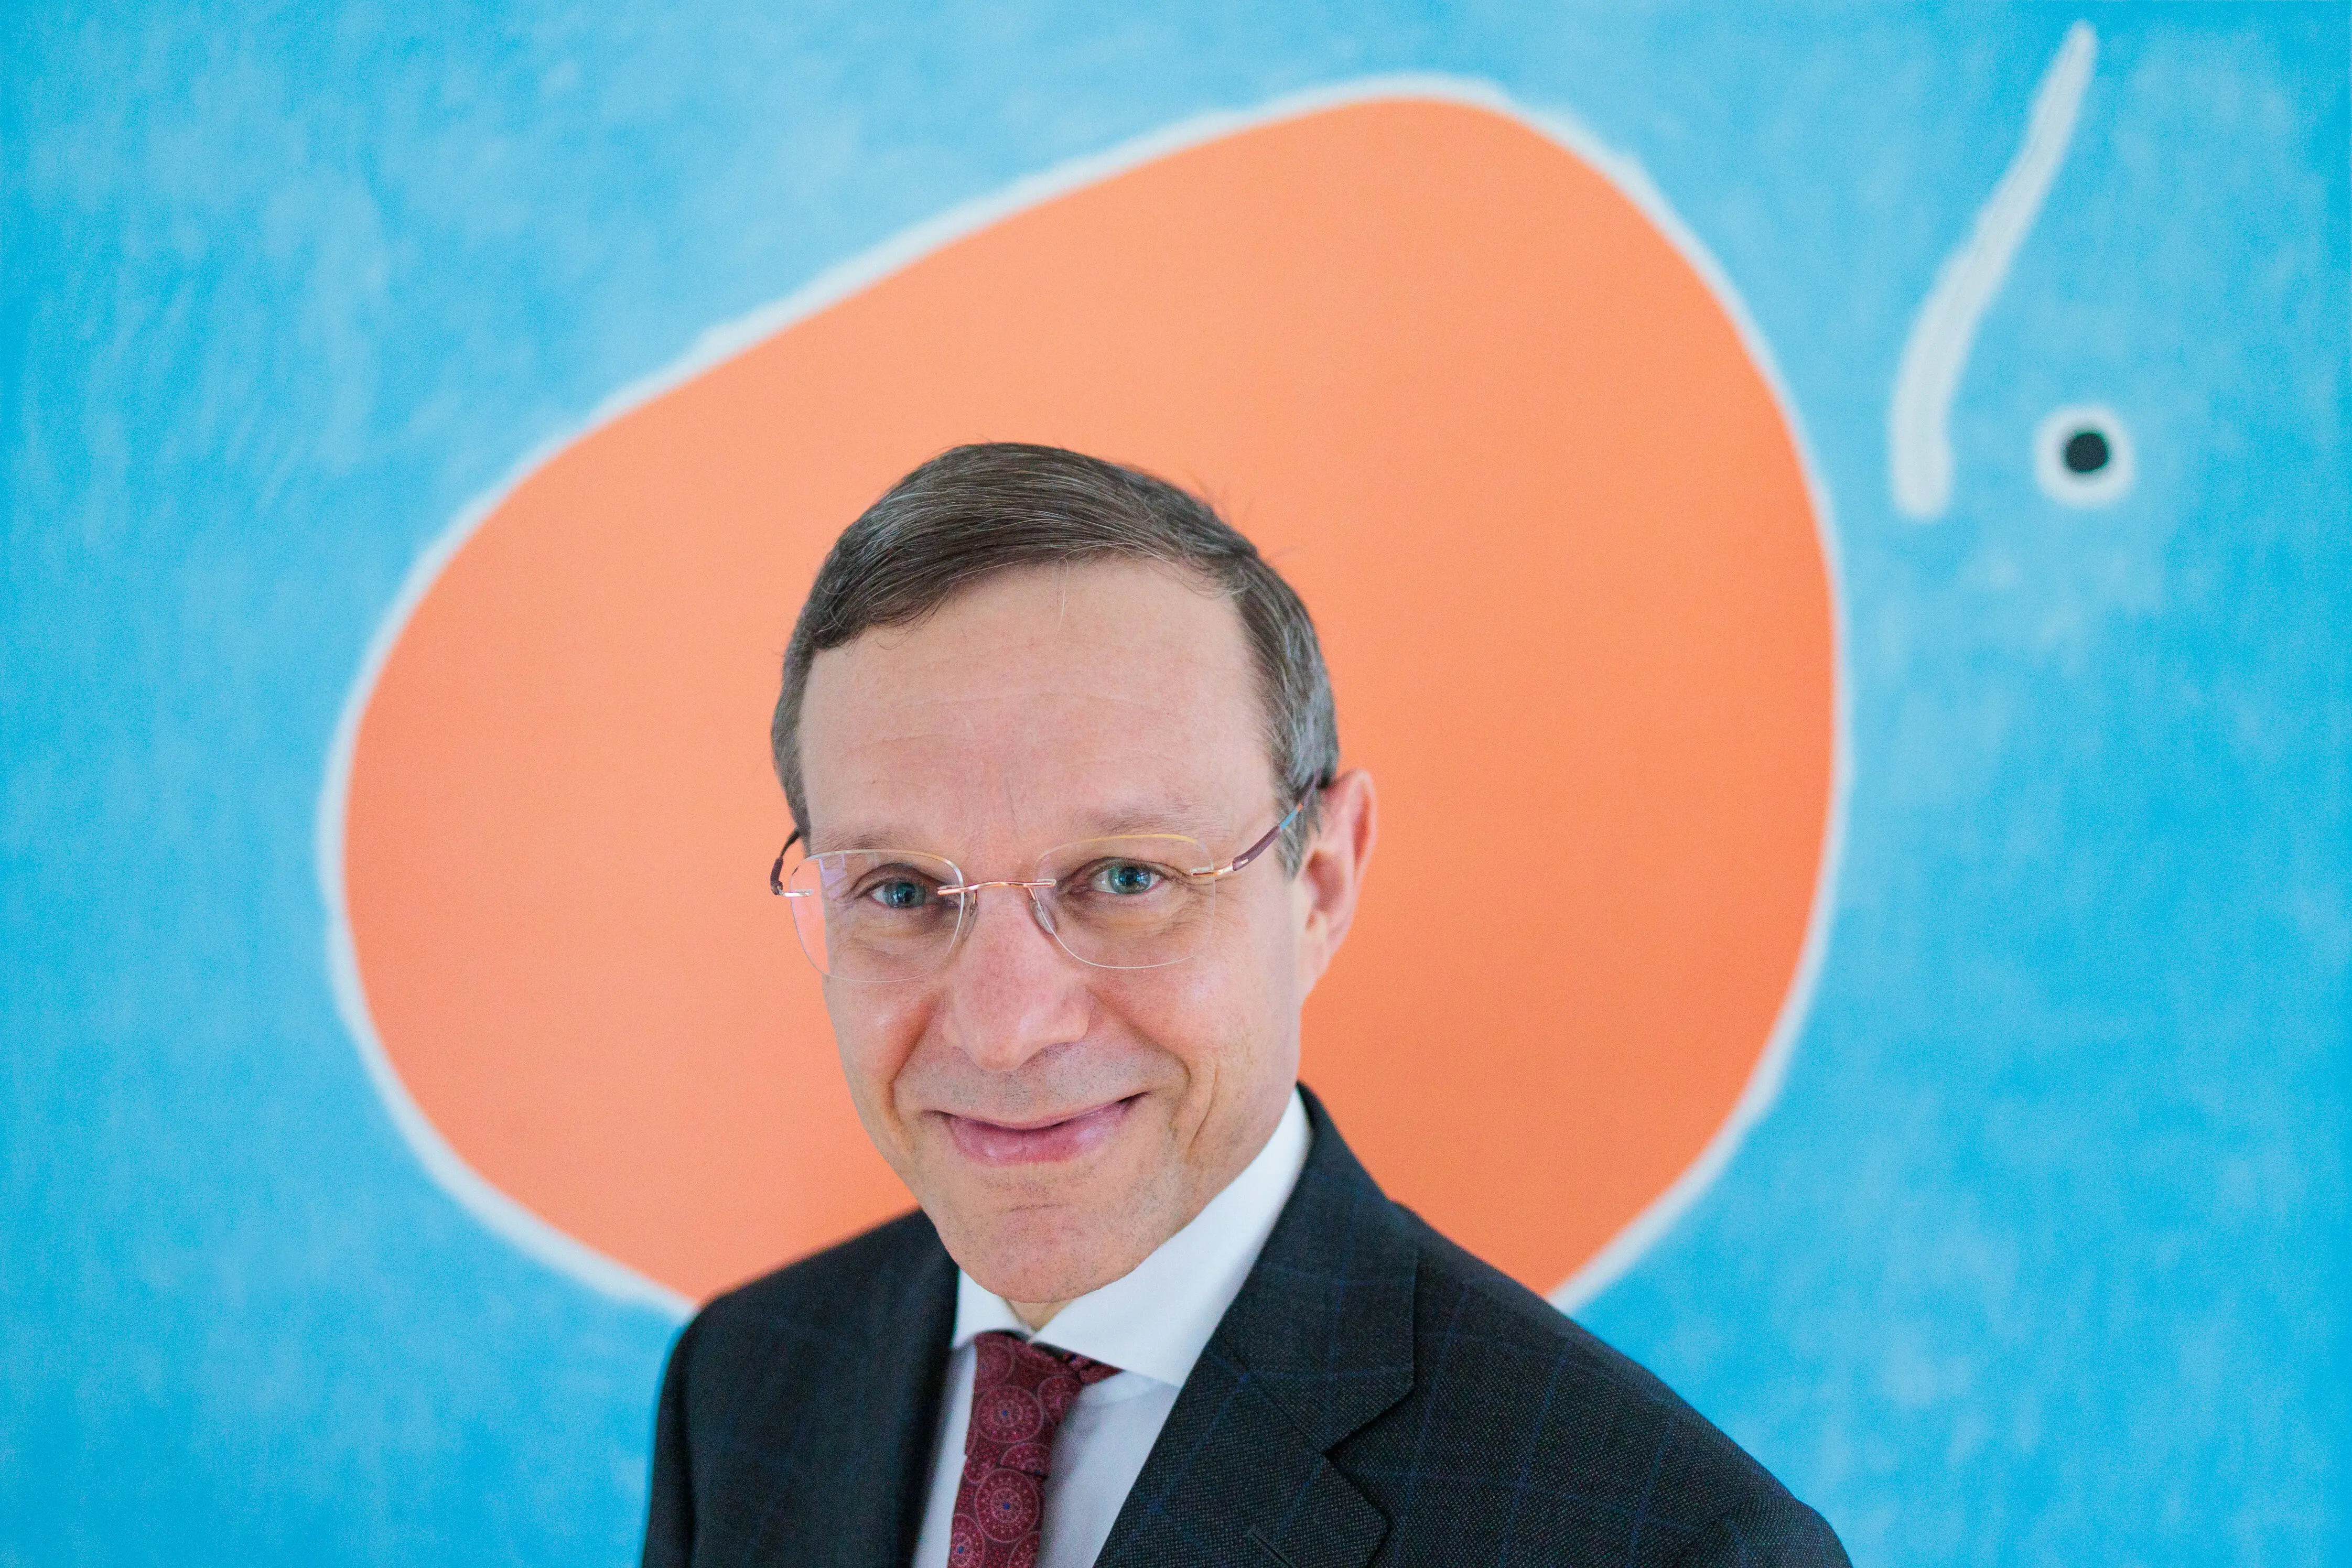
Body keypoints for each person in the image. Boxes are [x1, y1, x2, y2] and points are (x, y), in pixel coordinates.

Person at [640, 442, 1847, 1568]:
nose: (1004, 1029)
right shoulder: (742, 1384)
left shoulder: (1668, 1543)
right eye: (901, 891)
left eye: (1125, 878)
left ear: (1318, 883)